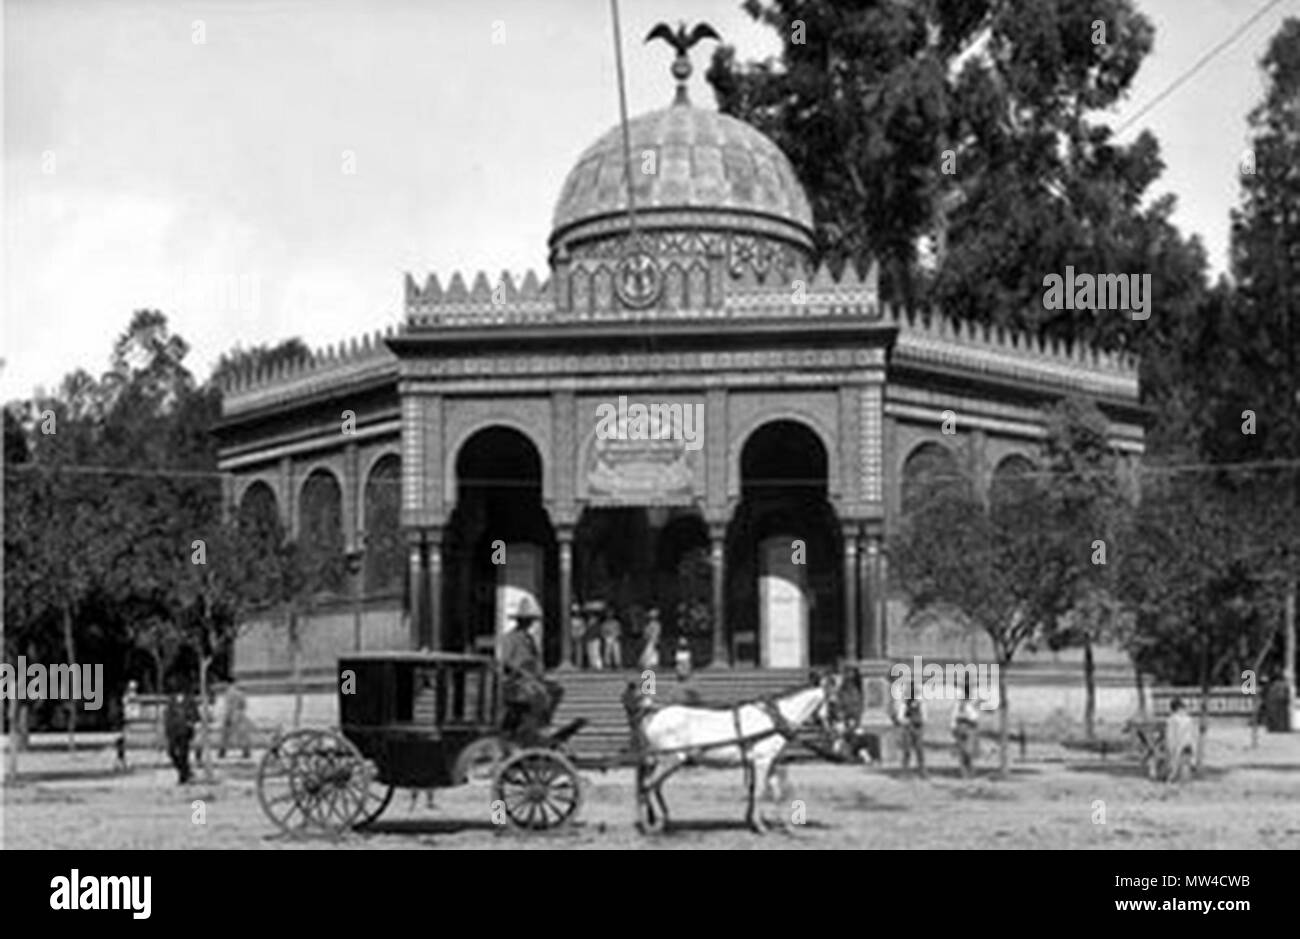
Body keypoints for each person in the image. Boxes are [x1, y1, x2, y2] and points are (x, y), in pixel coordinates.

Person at [500, 597, 564, 744]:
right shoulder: (510, 638)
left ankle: (542, 723)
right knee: (538, 693)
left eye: (530, 621)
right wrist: (521, 671)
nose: (529, 624)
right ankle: (530, 729)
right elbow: (505, 660)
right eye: (526, 620)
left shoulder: (530, 639)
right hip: (516, 680)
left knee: (556, 689)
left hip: (532, 678)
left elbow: (535, 660)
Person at [163, 689, 199, 784]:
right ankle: (185, 771)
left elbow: (196, 715)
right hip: (173, 731)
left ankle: (183, 777)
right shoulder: (171, 701)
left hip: (184, 731)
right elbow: (167, 716)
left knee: (183, 754)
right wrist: (167, 730)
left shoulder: (190, 701)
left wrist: (190, 722)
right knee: (171, 752)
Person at [891, 689, 926, 778]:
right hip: (908, 729)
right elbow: (900, 717)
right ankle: (905, 771)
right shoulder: (905, 704)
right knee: (907, 751)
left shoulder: (921, 704)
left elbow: (924, 716)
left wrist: (919, 721)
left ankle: (922, 770)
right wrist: (908, 721)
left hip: (917, 728)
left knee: (919, 750)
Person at [1164, 697, 1197, 783]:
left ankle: (1172, 777)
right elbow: (1192, 733)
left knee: (1175, 760)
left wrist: (1170, 745)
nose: (1184, 709)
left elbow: (1170, 734)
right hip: (1187, 742)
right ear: (1179, 708)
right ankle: (1190, 767)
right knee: (1186, 758)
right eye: (1183, 708)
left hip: (1179, 742)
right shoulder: (1188, 719)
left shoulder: (1172, 719)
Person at [217, 679, 251, 759]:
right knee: (242, 733)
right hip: (239, 715)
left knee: (225, 734)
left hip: (230, 715)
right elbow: (244, 705)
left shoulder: (228, 693)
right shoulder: (240, 693)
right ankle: (245, 751)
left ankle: (222, 751)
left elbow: (228, 706)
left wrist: (228, 715)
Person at [951, 697, 979, 778]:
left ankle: (970, 771)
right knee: (961, 753)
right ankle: (964, 774)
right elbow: (953, 719)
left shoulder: (970, 707)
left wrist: (966, 720)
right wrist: (954, 729)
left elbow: (974, 719)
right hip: (959, 730)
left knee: (968, 752)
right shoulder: (957, 706)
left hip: (968, 730)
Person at [601, 605, 623, 670]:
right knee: (607, 652)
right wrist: (605, 637)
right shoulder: (604, 623)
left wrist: (616, 636)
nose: (609, 614)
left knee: (616, 651)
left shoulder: (616, 622)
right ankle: (608, 665)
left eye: (611, 613)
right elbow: (602, 632)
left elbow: (619, 630)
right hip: (608, 638)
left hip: (615, 637)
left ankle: (618, 664)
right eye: (608, 613)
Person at [584, 602, 605, 670]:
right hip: (589, 639)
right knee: (590, 653)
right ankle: (592, 665)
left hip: (596, 639)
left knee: (596, 652)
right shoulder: (589, 622)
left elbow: (598, 631)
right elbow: (587, 631)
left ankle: (599, 666)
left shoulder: (598, 623)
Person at [569, 603, 587, 668]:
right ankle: (572, 663)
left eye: (577, 612)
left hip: (579, 637)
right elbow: (569, 628)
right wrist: (572, 634)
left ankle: (579, 664)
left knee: (579, 651)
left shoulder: (581, 620)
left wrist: (580, 634)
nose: (576, 613)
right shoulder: (570, 620)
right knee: (571, 650)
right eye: (575, 612)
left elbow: (583, 628)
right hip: (572, 637)